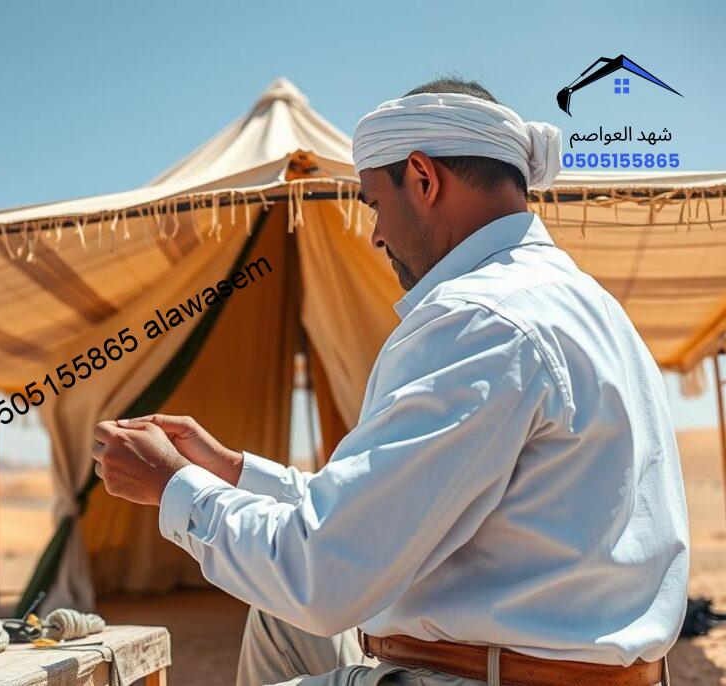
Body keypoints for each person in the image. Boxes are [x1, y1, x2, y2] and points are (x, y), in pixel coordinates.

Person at [90, 78, 689, 686]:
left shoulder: (478, 321)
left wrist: (172, 484)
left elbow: (321, 577)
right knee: (281, 621)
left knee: (295, 605)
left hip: (490, 677)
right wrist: (232, 470)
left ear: (424, 179)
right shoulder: (583, 302)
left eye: (373, 203)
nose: (374, 234)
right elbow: (376, 509)